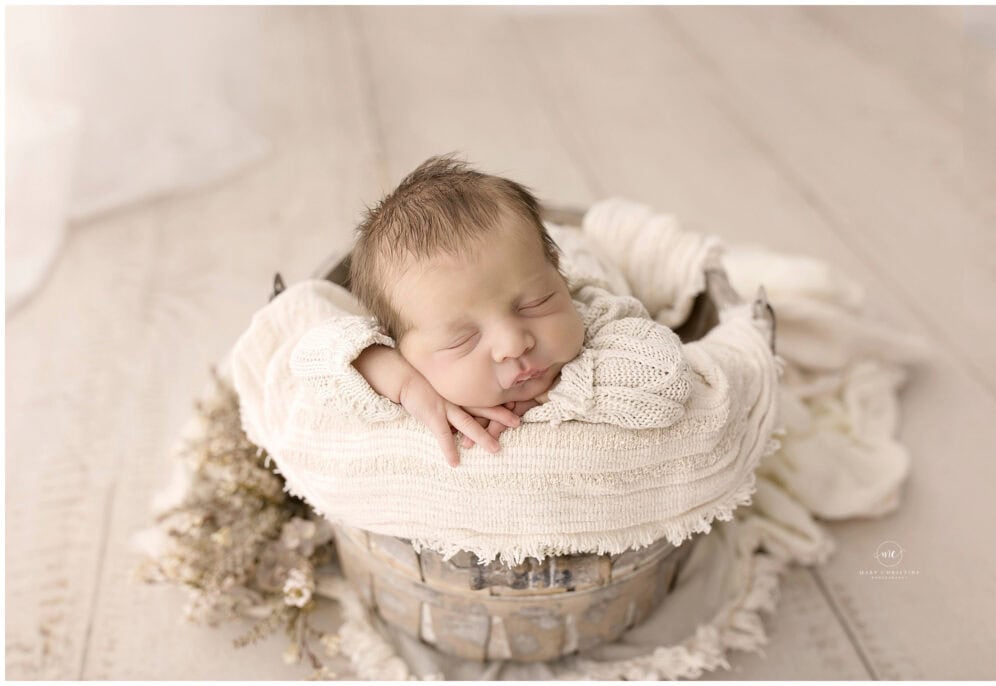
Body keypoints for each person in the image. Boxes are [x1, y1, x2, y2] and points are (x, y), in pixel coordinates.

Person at [232, 154, 769, 469]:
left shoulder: (599, 313)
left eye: (537, 303)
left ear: (561, 284)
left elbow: (662, 379)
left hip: (571, 252)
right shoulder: (402, 364)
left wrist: (571, 387)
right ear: (403, 347)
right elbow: (312, 354)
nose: (514, 342)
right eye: (462, 340)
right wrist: (400, 381)